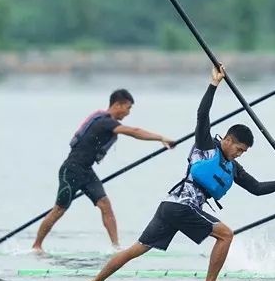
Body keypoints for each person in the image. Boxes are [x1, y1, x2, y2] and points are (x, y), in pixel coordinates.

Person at [82, 66, 275, 281]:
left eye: (243, 152)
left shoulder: (233, 167)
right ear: (227, 140)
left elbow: (256, 188)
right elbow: (202, 115)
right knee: (226, 235)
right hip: (182, 206)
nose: (239, 154)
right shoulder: (207, 146)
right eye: (238, 149)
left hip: (170, 206)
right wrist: (214, 84)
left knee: (137, 249)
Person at [31, 88, 175, 253]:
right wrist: (161, 138)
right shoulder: (104, 122)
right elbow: (133, 132)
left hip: (86, 171)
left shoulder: (107, 122)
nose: (128, 113)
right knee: (59, 209)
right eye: (128, 108)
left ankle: (116, 247)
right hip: (71, 170)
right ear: (118, 104)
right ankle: (36, 246)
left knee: (105, 205)